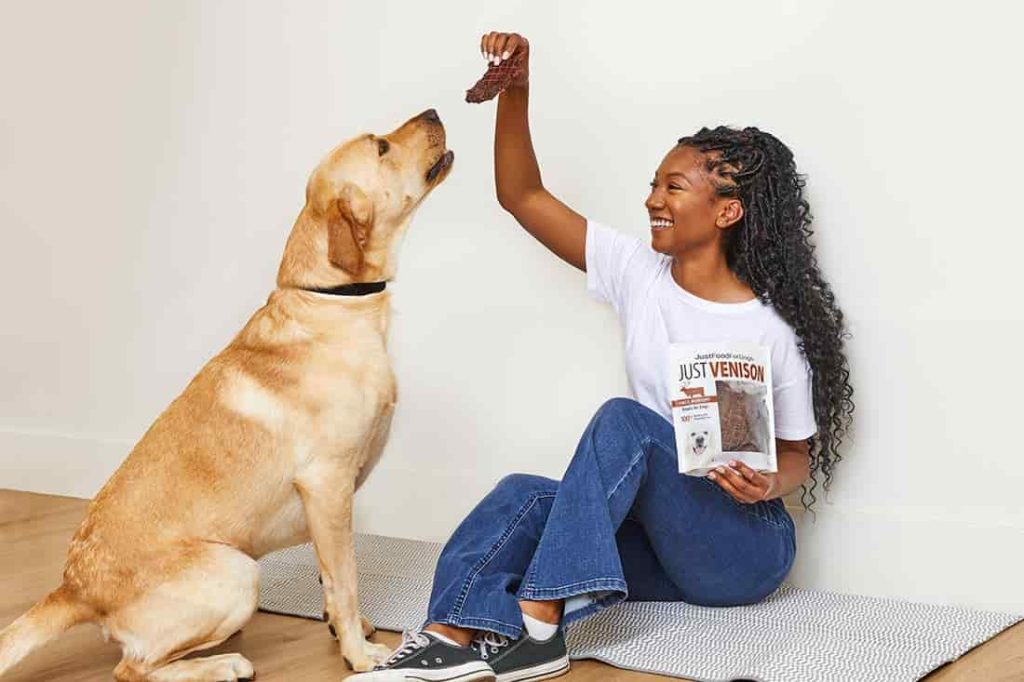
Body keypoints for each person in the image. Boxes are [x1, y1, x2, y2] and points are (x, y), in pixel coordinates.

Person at [353, 31, 854, 682]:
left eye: (674, 187)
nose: (653, 199)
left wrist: (769, 483)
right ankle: (449, 636)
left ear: (727, 210)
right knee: (522, 496)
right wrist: (517, 90)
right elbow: (522, 196)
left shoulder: (770, 331)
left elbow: (796, 457)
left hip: (741, 549)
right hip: (660, 545)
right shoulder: (639, 274)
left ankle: (540, 623)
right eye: (654, 184)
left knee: (627, 423)